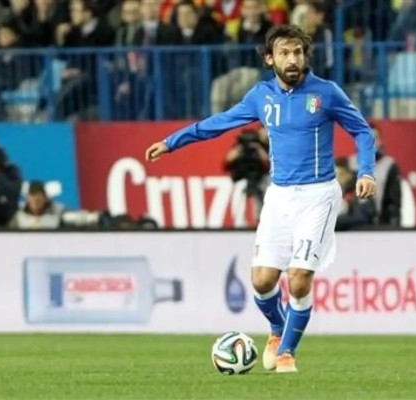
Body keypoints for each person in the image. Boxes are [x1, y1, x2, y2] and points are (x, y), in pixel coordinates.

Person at [145, 25, 376, 373]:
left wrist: (366, 172)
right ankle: (277, 328)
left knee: (299, 276)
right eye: (284, 53)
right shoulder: (261, 96)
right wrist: (172, 142)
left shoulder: (326, 93)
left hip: (318, 195)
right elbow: (218, 123)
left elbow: (362, 131)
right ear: (270, 59)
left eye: (298, 52)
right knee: (262, 281)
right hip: (279, 196)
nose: (292, 59)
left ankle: (286, 354)